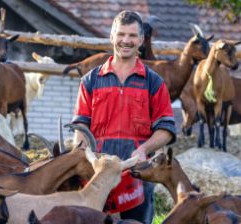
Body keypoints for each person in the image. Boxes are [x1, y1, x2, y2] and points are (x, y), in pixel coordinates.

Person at [72, 10, 176, 224]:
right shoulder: (91, 80)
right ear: (112, 37)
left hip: (137, 174)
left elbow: (166, 128)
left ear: (141, 40)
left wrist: (144, 150)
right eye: (121, 35)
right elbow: (81, 126)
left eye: (131, 36)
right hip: (99, 174)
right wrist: (83, 156)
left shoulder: (153, 82)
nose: (125, 41)